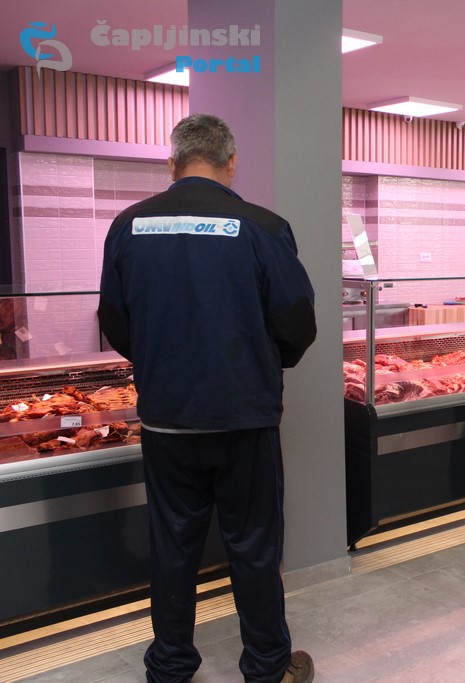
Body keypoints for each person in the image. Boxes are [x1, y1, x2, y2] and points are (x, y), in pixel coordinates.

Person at [98, 113, 317, 683]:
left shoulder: (128, 226)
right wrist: (259, 365)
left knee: (173, 545)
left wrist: (158, 362)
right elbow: (297, 324)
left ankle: (170, 666)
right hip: (244, 418)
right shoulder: (265, 227)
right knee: (254, 546)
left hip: (167, 421)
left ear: (172, 164)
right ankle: (268, 668)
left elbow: (115, 322)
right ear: (231, 163)